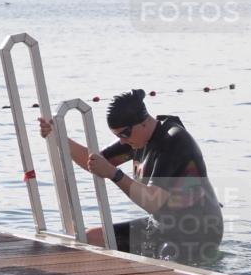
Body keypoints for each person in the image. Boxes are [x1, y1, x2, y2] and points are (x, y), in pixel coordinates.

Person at [39, 89, 223, 264]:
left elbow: (153, 202)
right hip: (163, 225)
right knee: (90, 238)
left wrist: (114, 174)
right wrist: (58, 137)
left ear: (143, 122)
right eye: (117, 135)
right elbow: (95, 162)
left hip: (196, 230)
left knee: (166, 258)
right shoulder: (136, 139)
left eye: (124, 134)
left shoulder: (173, 141)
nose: (122, 140)